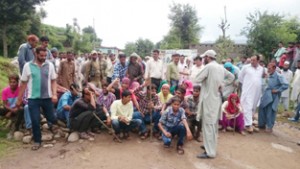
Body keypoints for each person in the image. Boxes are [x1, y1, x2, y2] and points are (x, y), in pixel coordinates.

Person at [16, 47, 58, 151]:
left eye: (45, 56)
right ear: (35, 54)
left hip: (47, 98)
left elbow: (53, 81)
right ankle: (37, 141)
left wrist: (54, 94)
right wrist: (19, 98)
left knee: (52, 118)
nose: (44, 58)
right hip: (33, 99)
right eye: (41, 56)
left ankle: (52, 126)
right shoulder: (27, 66)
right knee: (35, 120)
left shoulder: (50, 65)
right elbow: (23, 83)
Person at [195, 49, 234, 159]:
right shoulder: (221, 67)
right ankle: (209, 146)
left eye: (204, 58)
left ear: (208, 57)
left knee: (208, 125)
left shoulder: (209, 67)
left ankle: (210, 152)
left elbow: (197, 78)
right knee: (213, 126)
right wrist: (222, 84)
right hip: (216, 100)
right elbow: (232, 77)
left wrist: (218, 83)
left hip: (209, 100)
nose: (203, 60)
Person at [258, 63, 288, 132]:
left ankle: (269, 126)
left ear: (274, 68)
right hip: (266, 95)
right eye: (268, 68)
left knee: (270, 111)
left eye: (270, 68)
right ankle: (261, 124)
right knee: (262, 108)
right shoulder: (268, 75)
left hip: (273, 96)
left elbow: (286, 85)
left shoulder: (279, 76)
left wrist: (278, 90)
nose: (268, 70)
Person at [238, 55, 264, 133]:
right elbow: (240, 77)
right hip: (248, 90)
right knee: (248, 106)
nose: (252, 61)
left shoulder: (261, 69)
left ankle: (249, 123)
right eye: (251, 60)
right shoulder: (246, 67)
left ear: (258, 61)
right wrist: (247, 84)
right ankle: (248, 125)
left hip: (257, 91)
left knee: (253, 107)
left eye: (254, 60)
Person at [0, 73, 24, 138]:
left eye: (14, 82)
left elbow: (21, 102)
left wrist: (11, 111)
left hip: (17, 108)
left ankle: (15, 128)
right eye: (10, 82)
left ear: (17, 82)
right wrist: (10, 110)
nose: (12, 84)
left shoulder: (20, 90)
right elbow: (5, 104)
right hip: (8, 108)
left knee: (21, 109)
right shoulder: (5, 91)